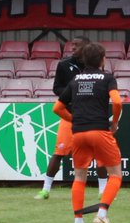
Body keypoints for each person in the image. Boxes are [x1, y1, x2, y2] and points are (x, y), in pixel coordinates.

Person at [53, 42, 124, 223]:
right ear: (102, 59)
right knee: (116, 174)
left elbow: (57, 108)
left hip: (78, 133)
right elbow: (117, 101)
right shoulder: (107, 77)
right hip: (99, 130)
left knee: (79, 177)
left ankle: (78, 222)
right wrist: (115, 122)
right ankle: (101, 214)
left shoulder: (75, 80)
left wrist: (74, 119)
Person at [37, 37, 108, 200]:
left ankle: (103, 190)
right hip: (70, 116)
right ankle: (45, 189)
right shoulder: (63, 65)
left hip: (90, 116)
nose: (72, 48)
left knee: (99, 154)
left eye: (76, 45)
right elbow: (57, 88)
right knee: (59, 152)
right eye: (72, 45)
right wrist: (71, 93)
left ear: (86, 47)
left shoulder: (95, 66)